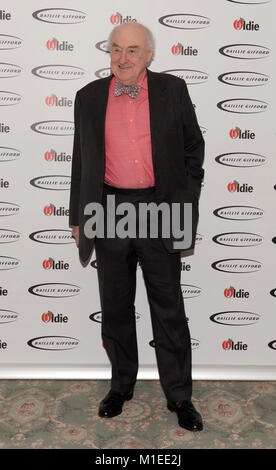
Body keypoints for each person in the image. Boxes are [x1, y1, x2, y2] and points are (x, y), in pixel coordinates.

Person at [69, 22, 204, 432]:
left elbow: (192, 150)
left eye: (132, 50)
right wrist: (78, 215)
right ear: (107, 52)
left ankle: (179, 395)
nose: (122, 59)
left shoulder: (172, 90)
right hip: (108, 208)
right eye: (115, 50)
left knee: (168, 307)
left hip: (160, 208)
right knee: (115, 305)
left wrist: (184, 204)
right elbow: (81, 159)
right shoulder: (88, 97)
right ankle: (121, 386)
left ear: (148, 55)